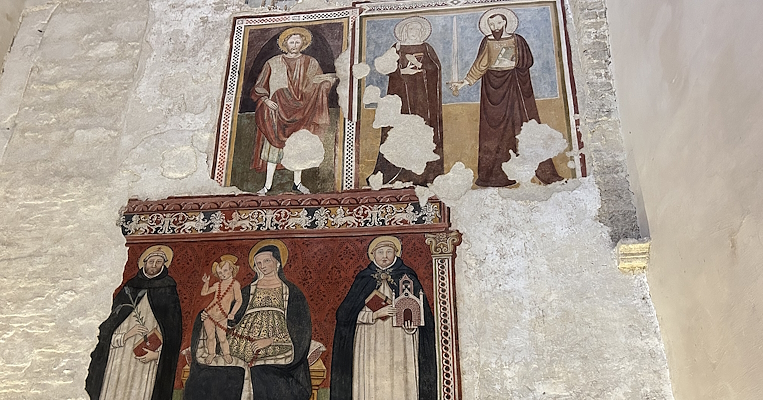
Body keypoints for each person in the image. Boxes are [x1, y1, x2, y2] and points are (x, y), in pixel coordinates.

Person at [183, 240, 312, 400]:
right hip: (242, 338)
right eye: (258, 263)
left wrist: (270, 340)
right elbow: (230, 315)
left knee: (265, 372)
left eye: (267, 261)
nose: (262, 266)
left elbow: (299, 329)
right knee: (218, 370)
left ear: (277, 262)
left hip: (278, 342)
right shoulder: (248, 289)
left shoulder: (291, 292)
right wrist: (207, 315)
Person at [450, 8, 563, 187]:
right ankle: (494, 175)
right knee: (493, 132)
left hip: (514, 86)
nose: (495, 27)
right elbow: (480, 65)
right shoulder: (486, 41)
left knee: (522, 124)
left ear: (505, 23)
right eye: (491, 24)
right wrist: (463, 83)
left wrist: (514, 62)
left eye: (498, 23)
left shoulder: (517, 40)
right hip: (491, 90)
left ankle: (536, 171)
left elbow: (528, 60)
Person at [331, 236, 437, 400]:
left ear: (396, 253)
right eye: (380, 252)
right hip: (369, 340)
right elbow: (345, 315)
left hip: (401, 341)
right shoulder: (364, 279)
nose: (385, 256)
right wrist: (374, 315)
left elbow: (422, 317)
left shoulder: (407, 276)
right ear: (373, 254)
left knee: (400, 378)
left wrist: (411, 325)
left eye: (389, 251)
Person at [85, 245, 183, 400]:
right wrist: (126, 335)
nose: (154, 265)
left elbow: (173, 334)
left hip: (146, 363)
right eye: (151, 261)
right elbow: (108, 329)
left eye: (159, 262)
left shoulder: (168, 290)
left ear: (164, 265)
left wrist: (157, 355)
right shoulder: (130, 289)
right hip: (120, 357)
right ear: (143, 262)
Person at [250, 27, 337, 195]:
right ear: (285, 44)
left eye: (298, 42)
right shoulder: (273, 62)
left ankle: (297, 183)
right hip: (277, 111)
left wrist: (326, 83)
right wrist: (266, 100)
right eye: (291, 42)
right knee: (273, 149)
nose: (295, 45)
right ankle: (267, 186)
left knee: (298, 148)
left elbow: (315, 84)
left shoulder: (310, 62)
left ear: (303, 44)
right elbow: (259, 86)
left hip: (302, 111)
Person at [368, 16, 444, 186]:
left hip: (422, 100)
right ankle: (396, 174)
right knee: (397, 131)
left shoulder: (427, 48)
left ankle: (422, 176)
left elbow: (435, 69)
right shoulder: (397, 47)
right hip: (400, 97)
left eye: (417, 30)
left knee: (421, 130)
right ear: (404, 32)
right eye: (411, 29)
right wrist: (402, 72)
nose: (414, 32)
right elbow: (386, 68)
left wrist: (421, 69)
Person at [200, 254, 243, 365]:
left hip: (223, 316)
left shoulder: (235, 284)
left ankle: (226, 354)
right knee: (210, 337)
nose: (222, 274)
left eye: (225, 271)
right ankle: (211, 354)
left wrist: (232, 313)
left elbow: (239, 300)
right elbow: (204, 293)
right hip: (209, 314)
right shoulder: (217, 284)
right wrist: (206, 282)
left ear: (231, 270)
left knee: (222, 337)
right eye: (220, 273)